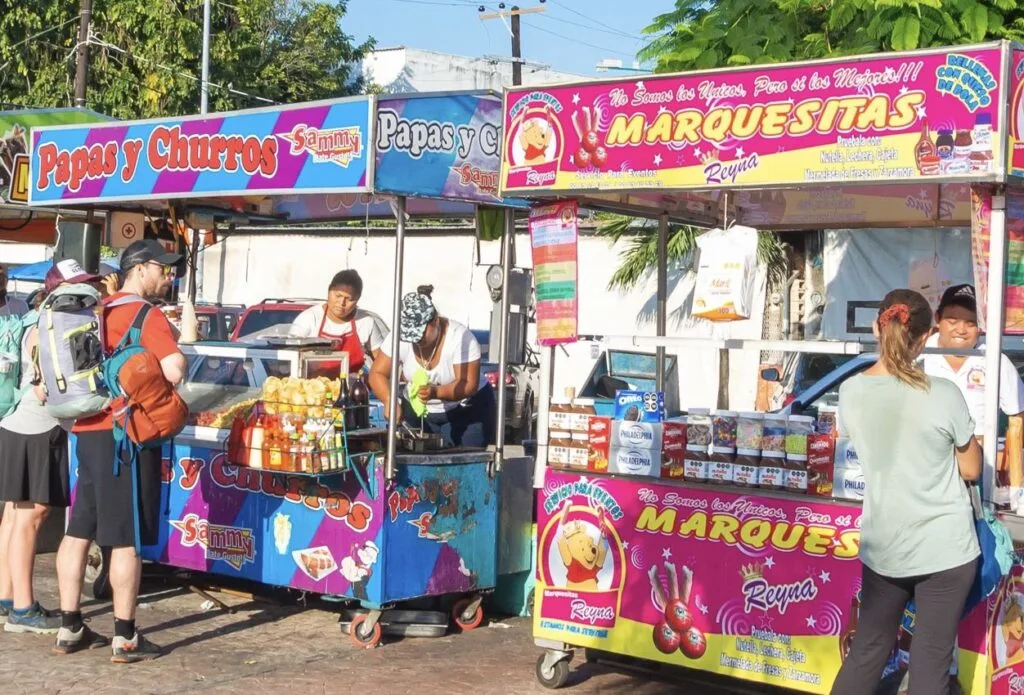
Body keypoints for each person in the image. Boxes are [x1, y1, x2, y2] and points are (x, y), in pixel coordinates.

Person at [831, 289, 981, 695]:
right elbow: (970, 467)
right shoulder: (944, 393)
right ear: (924, 337)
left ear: (876, 327)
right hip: (945, 549)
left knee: (868, 650)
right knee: (930, 660)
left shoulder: (850, 392)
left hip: (885, 545)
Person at [54, 239, 186, 663]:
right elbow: (175, 369)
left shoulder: (98, 308)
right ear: (141, 269)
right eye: (162, 269)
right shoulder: (146, 314)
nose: (168, 276)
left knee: (78, 530)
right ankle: (126, 636)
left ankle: (70, 625)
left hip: (86, 429)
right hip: (125, 437)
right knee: (126, 539)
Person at [0, 261, 104, 634]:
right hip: (39, 425)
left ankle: (7, 597)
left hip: (15, 422)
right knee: (32, 516)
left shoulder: (33, 317)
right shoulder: (53, 322)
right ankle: (23, 609)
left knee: (15, 514)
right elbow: (50, 385)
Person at [368, 285, 495, 448]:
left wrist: (436, 392)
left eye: (420, 334)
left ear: (435, 321)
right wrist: (389, 400)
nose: (416, 340)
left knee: (464, 460)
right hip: (419, 410)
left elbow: (467, 384)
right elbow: (377, 373)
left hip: (467, 409)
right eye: (410, 335)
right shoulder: (398, 338)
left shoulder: (461, 338)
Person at [921, 283, 1024, 447]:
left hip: (981, 462)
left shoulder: (996, 361)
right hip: (927, 458)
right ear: (938, 319)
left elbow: (1018, 415)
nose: (961, 330)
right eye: (953, 320)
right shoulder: (918, 357)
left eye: (970, 323)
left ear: (981, 327)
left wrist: (1005, 458)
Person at [290, 270, 387, 374]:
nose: (341, 303)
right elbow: (291, 357)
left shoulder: (366, 322)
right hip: (315, 386)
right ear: (329, 291)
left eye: (349, 299)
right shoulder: (309, 318)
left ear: (357, 299)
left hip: (354, 387)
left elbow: (383, 363)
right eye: (338, 296)